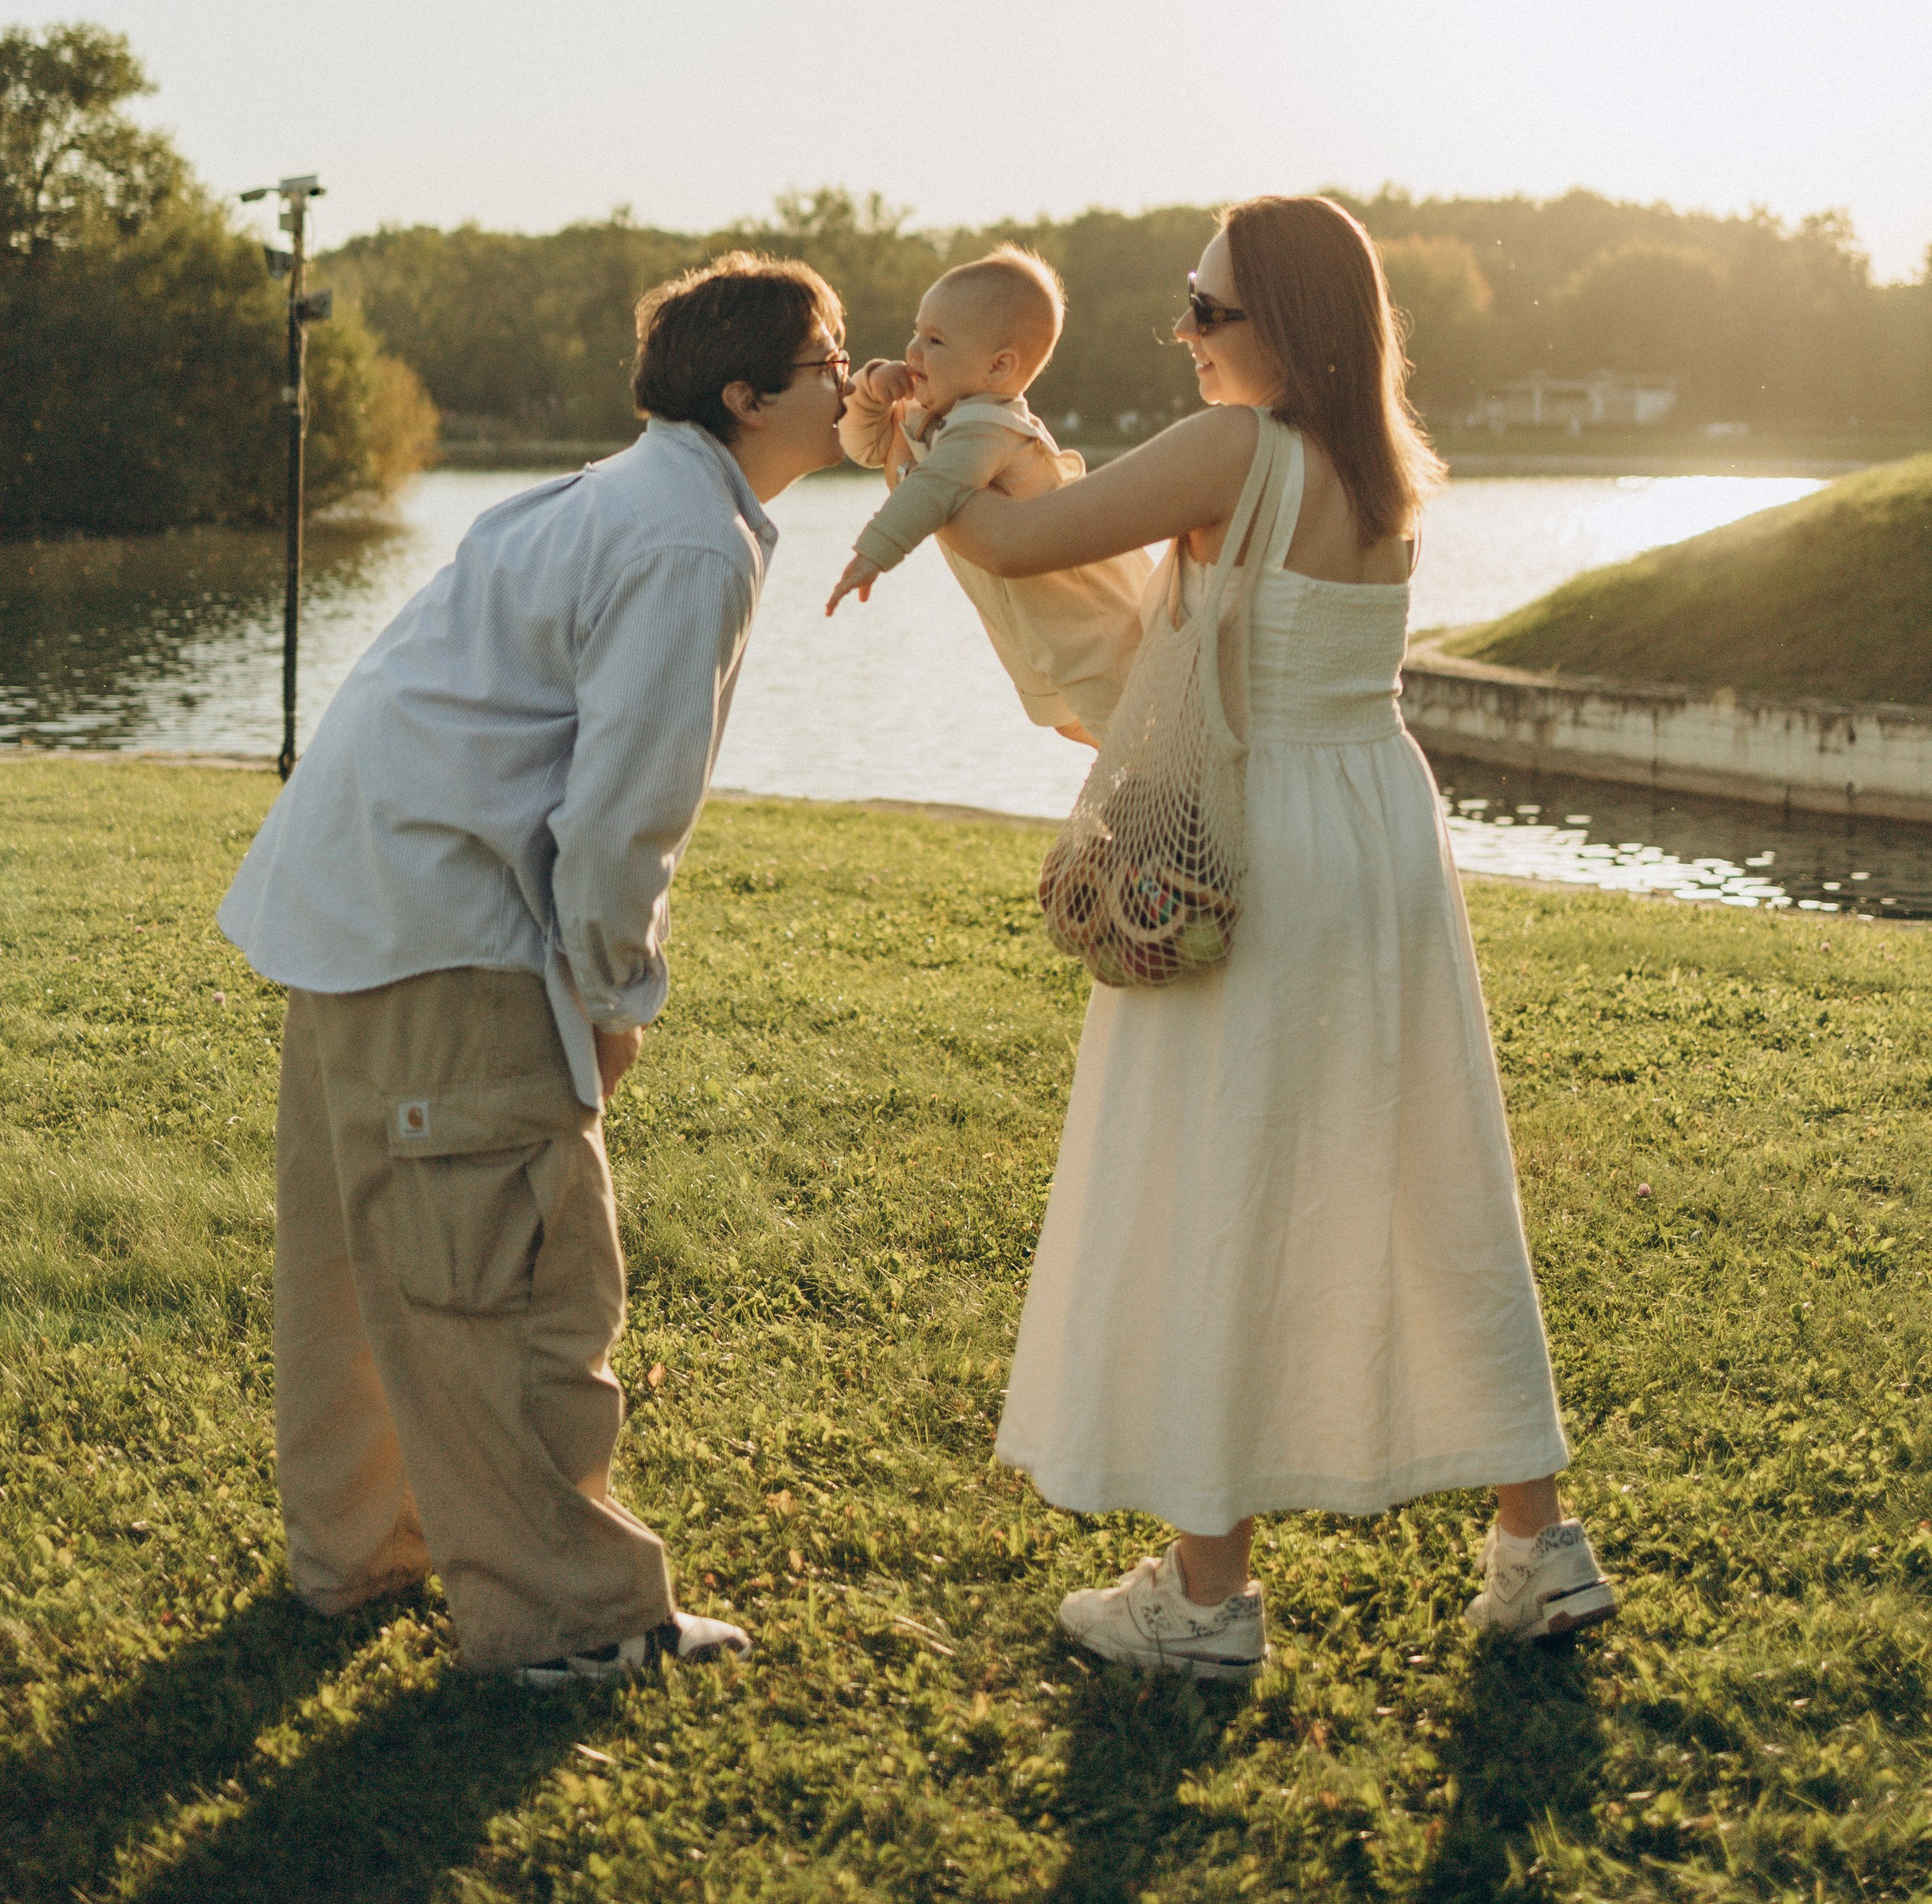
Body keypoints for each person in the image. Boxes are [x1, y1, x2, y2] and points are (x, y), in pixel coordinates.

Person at [944, 196, 1616, 1674]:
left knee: (1220, 1158)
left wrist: (919, 437)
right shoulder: (1389, 466)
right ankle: (1537, 1544)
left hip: (1251, 835)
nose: (1184, 333)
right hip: (1377, 823)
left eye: (1209, 311)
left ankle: (1204, 1598)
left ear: (1289, 330)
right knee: (1429, 1160)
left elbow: (1011, 538)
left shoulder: (1240, 449)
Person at [216, 253, 850, 1686]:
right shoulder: (690, 538)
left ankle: (358, 1549)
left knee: (361, 1261)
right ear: (749, 397)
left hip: (357, 904)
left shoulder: (625, 492)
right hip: (445, 927)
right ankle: (569, 1620)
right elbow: (622, 814)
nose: (860, 382)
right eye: (834, 360)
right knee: (510, 1288)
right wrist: (613, 999)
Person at [824, 248, 1151, 743]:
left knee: (1126, 731)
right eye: (917, 332)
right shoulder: (928, 415)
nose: (913, 351)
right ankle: (1150, 790)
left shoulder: (990, 427)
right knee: (1067, 723)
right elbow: (865, 446)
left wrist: (874, 551)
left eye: (934, 341)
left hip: (1085, 620)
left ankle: (1165, 800)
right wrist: (870, 391)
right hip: (1025, 619)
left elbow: (935, 487)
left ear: (999, 368)